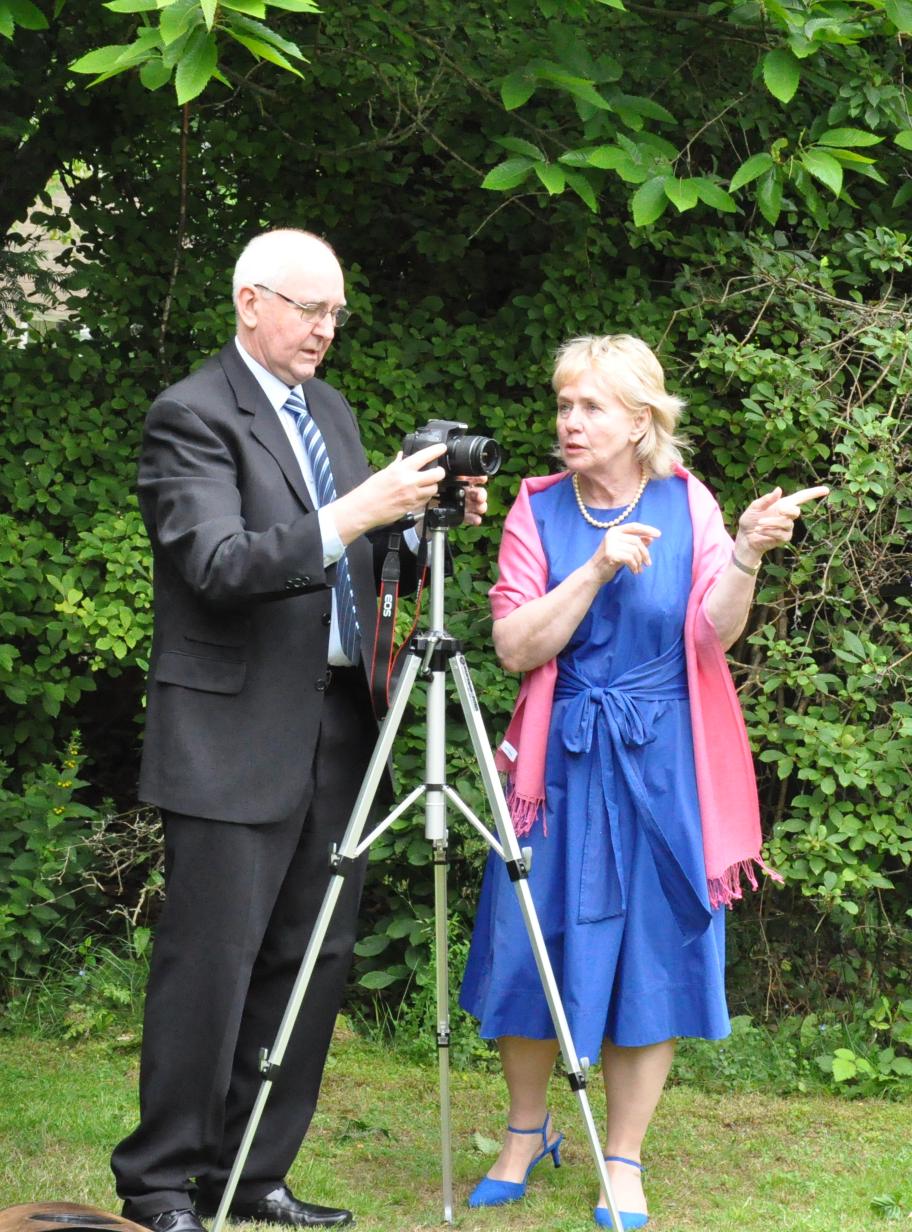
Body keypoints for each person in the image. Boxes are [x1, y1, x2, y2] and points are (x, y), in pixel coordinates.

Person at [111, 228, 486, 1232]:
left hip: (336, 722)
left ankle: (252, 1171)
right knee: (213, 958)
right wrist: (357, 510)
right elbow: (219, 565)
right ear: (249, 302)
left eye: (336, 313)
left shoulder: (330, 411)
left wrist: (414, 520)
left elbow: (360, 568)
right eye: (310, 308)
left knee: (313, 955)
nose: (326, 329)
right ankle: (160, 1182)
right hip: (230, 734)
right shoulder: (191, 417)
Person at [459, 334, 827, 1229]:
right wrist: (592, 569)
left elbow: (714, 634)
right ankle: (524, 1132)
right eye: (563, 405)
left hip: (662, 765)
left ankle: (621, 1157)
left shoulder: (687, 502)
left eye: (589, 407)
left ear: (639, 420)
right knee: (528, 940)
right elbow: (514, 648)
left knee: (653, 957)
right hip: (557, 764)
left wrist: (743, 552)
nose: (568, 422)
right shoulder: (535, 509)